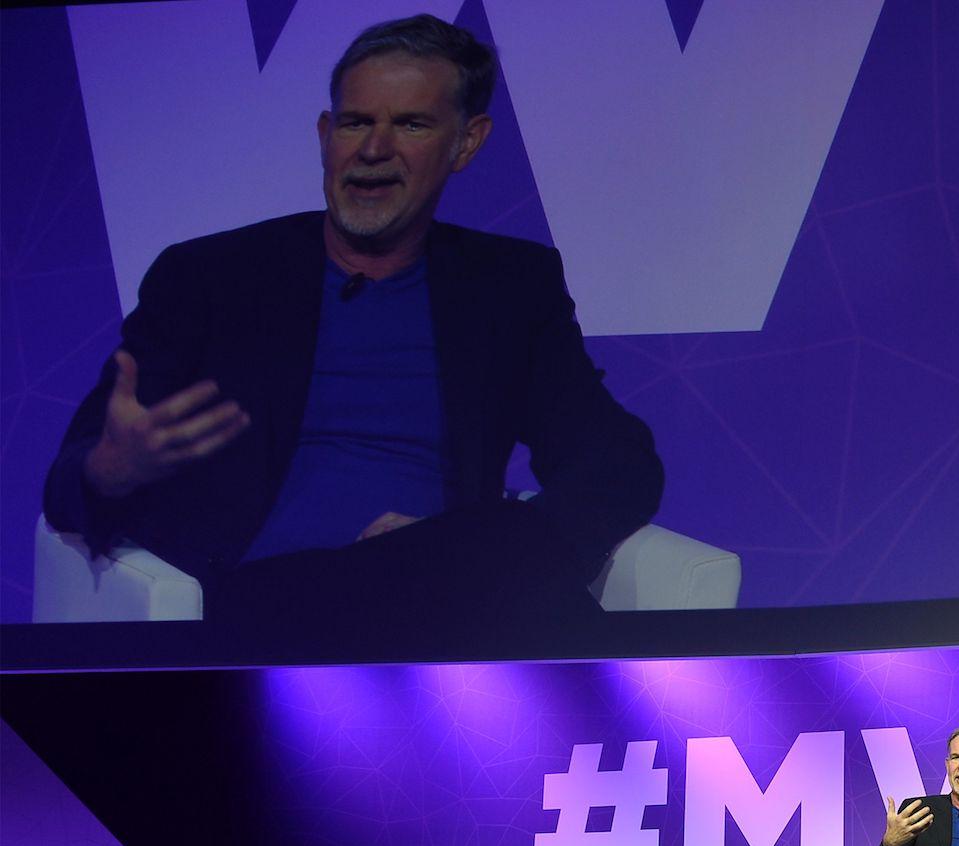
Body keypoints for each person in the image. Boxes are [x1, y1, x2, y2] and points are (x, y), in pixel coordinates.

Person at [42, 15, 661, 645]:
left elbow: (618, 461)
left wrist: (450, 546)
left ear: (466, 143)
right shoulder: (211, 277)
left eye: (411, 124)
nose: (373, 149)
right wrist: (112, 471)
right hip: (269, 602)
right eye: (356, 122)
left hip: (448, 602)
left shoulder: (507, 287)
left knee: (482, 553)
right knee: (496, 561)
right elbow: (68, 484)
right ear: (325, 134)